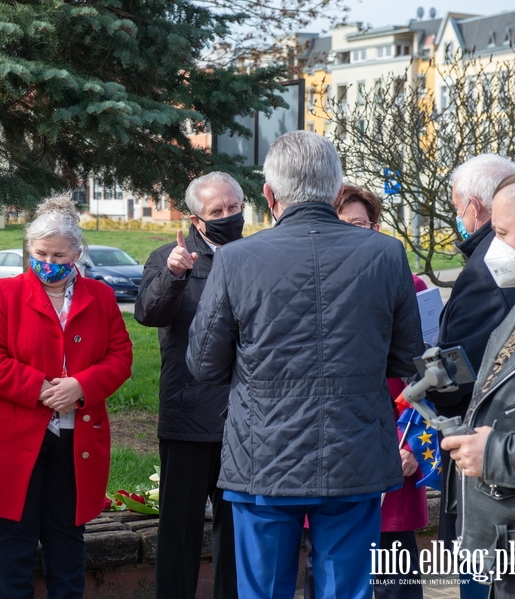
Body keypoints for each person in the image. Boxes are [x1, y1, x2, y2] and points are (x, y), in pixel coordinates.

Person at [187, 130, 423, 599]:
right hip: (353, 451)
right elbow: (406, 357)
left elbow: (204, 363)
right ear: (337, 193)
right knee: (346, 589)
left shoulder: (235, 258)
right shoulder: (386, 252)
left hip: (263, 456)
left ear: (269, 196)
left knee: (264, 590)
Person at [0, 193, 133, 599]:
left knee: (67, 539)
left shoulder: (101, 297)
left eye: (60, 255)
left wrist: (83, 386)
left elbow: (121, 356)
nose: (50, 262)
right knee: (14, 541)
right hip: (13, 440)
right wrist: (38, 388)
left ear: (77, 252)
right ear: (29, 249)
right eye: (41, 253)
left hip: (76, 441)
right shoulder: (2, 295)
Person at [302, 185, 429, 599]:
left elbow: (429, 378)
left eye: (360, 224)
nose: (352, 233)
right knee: (327, 576)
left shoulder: (414, 287)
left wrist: (413, 444)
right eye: (341, 225)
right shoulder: (305, 289)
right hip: (327, 453)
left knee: (396, 578)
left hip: (394, 451)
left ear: (375, 227)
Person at [134, 171, 242, 599]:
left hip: (243, 417)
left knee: (235, 533)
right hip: (187, 415)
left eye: (234, 208)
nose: (228, 216)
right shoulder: (169, 257)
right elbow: (148, 313)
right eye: (217, 211)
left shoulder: (255, 254)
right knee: (178, 530)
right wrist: (173, 276)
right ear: (196, 219)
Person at [426, 154, 515, 599]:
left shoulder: (488, 268)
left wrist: (434, 377)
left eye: (503, 233)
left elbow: (469, 373)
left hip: (492, 471)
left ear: (475, 206)